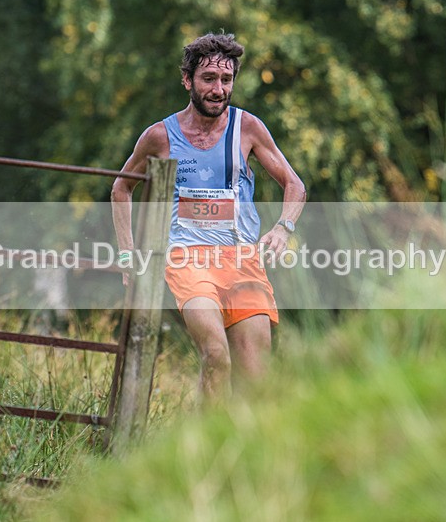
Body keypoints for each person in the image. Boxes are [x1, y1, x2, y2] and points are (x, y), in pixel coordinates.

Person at [111, 32, 306, 401]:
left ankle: (239, 438)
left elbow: (295, 185)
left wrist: (283, 228)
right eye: (209, 79)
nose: (218, 90)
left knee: (256, 379)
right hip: (187, 260)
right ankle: (205, 440)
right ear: (188, 81)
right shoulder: (159, 136)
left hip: (243, 261)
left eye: (226, 79)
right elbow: (121, 188)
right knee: (216, 355)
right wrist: (126, 255)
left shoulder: (247, 128)